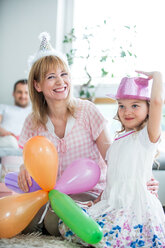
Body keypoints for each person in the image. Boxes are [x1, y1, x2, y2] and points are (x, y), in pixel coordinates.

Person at [17, 32, 159, 236]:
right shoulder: (32, 121)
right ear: (37, 85)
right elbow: (30, 157)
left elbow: (113, 156)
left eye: (64, 74)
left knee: (53, 222)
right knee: (27, 224)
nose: (60, 81)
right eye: (51, 77)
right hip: (51, 194)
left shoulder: (87, 111)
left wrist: (141, 177)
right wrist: (24, 167)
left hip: (89, 192)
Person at [59, 72, 165, 247]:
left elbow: (157, 102)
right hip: (112, 202)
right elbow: (113, 179)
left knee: (110, 238)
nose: (127, 111)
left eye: (135, 105)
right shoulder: (117, 142)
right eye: (121, 106)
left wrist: (157, 75)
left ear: (148, 109)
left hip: (134, 206)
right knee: (67, 225)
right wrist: (95, 202)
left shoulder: (146, 137)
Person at [0, 79, 31, 182]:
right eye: (19, 92)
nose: (23, 96)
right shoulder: (4, 108)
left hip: (26, 147)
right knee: (11, 142)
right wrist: (5, 133)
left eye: (26, 92)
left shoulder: (34, 112)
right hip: (7, 142)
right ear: (13, 94)